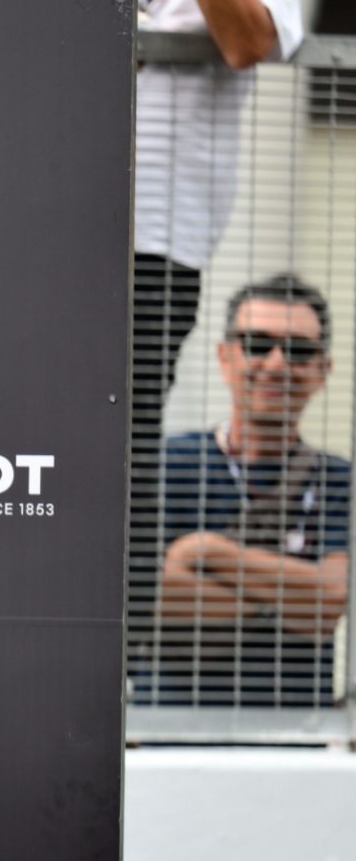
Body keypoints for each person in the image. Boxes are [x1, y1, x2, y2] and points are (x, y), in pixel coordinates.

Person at [127, 0, 308, 682]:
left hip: (163, 234)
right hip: (40, 218)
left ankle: (118, 666)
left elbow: (247, 43)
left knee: (127, 439)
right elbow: (19, 9)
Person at [138, 275, 349, 706]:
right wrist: (288, 599)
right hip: (168, 725)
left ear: (322, 369)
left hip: (295, 729)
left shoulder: (338, 479)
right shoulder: (165, 462)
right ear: (225, 356)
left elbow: (330, 600)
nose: (276, 364)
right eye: (257, 344)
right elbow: (143, 593)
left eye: (299, 350)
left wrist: (208, 552)